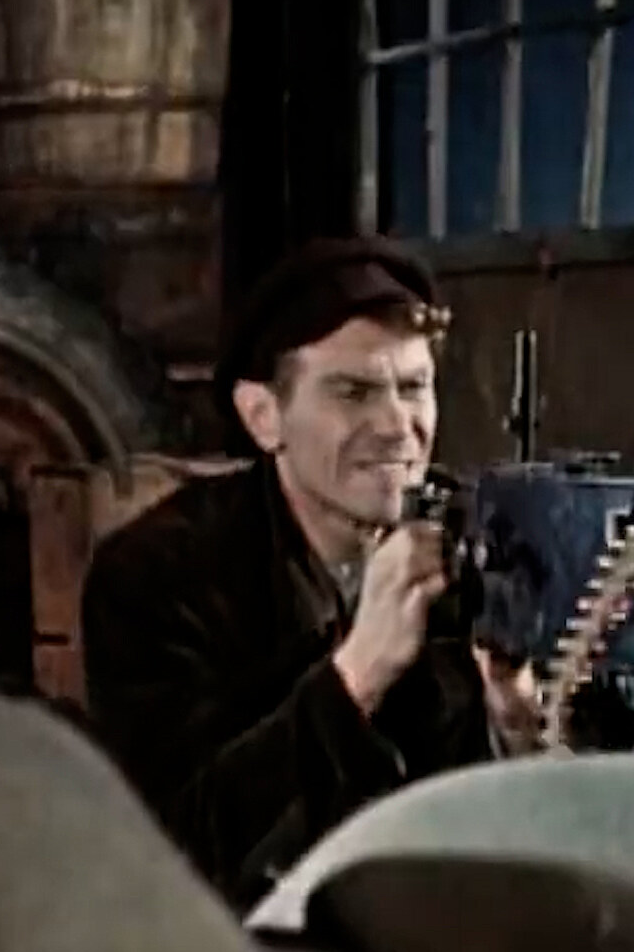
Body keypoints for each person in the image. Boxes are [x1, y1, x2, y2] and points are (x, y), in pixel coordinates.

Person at [80, 235, 541, 911]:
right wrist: (356, 675)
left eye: (414, 387)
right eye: (353, 393)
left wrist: (516, 725)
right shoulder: (157, 576)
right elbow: (175, 850)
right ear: (264, 417)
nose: (398, 426)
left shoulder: (476, 544)